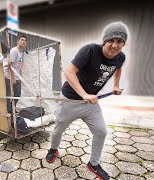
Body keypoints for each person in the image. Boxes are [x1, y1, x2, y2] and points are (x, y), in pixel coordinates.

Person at [45, 22, 128, 180]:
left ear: (123, 44)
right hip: (71, 100)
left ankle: (93, 164)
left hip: (90, 104)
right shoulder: (90, 50)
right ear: (105, 41)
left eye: (120, 42)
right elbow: (69, 72)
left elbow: (119, 68)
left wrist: (116, 85)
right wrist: (84, 94)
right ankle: (53, 149)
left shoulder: (120, 57)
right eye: (112, 40)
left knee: (101, 131)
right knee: (58, 129)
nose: (115, 45)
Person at [4, 34, 27, 114]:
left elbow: (17, 66)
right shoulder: (14, 50)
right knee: (8, 95)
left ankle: (11, 109)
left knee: (17, 94)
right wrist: (12, 78)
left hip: (17, 76)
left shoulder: (21, 53)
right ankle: (8, 112)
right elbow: (9, 65)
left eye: (25, 40)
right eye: (22, 40)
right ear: (18, 41)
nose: (24, 42)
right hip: (9, 76)